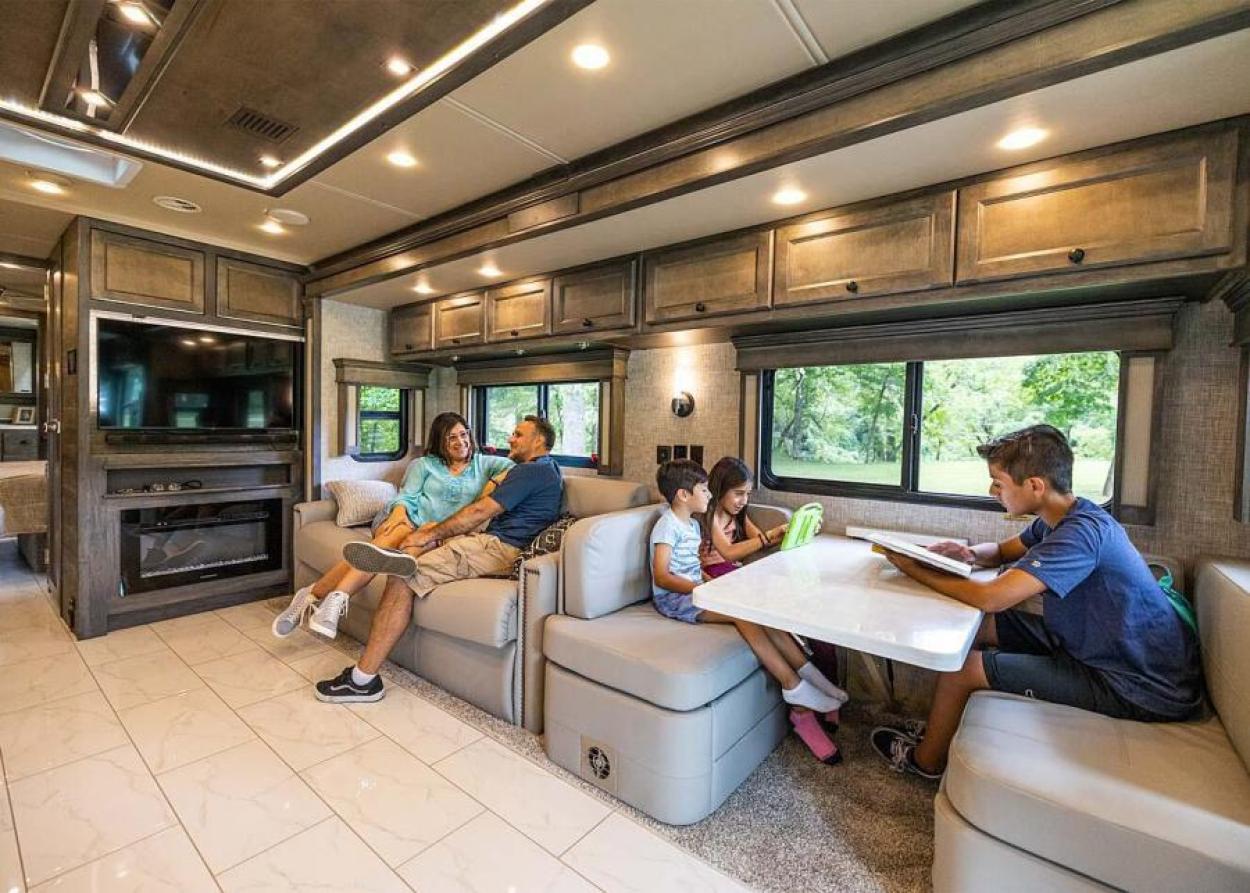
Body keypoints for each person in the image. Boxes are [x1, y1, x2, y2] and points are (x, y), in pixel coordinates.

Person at [870, 425, 1203, 779]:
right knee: (975, 627)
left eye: (998, 483)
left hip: (1135, 682)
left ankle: (927, 762)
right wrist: (966, 554)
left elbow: (992, 597)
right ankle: (940, 728)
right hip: (1090, 642)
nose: (992, 491)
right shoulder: (1061, 518)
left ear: (1035, 486)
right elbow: (1000, 552)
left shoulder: (1080, 535)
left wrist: (911, 567)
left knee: (965, 669)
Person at [313, 415, 563, 703]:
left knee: (404, 574)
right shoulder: (543, 470)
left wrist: (424, 536)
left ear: (539, 441)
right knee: (416, 546)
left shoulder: (531, 472)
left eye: (518, 434)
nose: (510, 439)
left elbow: (479, 512)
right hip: (488, 541)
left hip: (496, 547)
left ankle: (363, 681)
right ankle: (392, 557)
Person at [651, 459, 848, 764]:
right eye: (703, 490)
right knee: (745, 614)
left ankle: (815, 681)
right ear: (683, 495)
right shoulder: (667, 526)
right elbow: (662, 576)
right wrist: (702, 589)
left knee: (763, 614)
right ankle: (793, 686)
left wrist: (708, 582)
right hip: (676, 601)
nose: (708, 496)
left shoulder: (690, 524)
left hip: (700, 591)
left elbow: (694, 569)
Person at [272, 412, 513, 640]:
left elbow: (521, 469)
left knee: (384, 552)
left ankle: (311, 595)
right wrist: (398, 517)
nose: (461, 441)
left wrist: (491, 484)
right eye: (452, 437)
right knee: (388, 541)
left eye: (463, 434)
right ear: (440, 441)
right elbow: (406, 497)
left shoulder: (486, 464)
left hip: (435, 531)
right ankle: (335, 601)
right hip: (406, 518)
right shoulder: (424, 464)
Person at [699, 456, 849, 732]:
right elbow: (730, 552)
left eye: (748, 493)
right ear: (719, 489)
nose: (744, 500)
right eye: (738, 494)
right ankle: (804, 687)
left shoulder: (737, 514)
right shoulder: (711, 516)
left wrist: (789, 533)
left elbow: (759, 543)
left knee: (793, 608)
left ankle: (814, 678)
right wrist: (770, 536)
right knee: (768, 612)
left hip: (736, 573)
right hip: (719, 578)